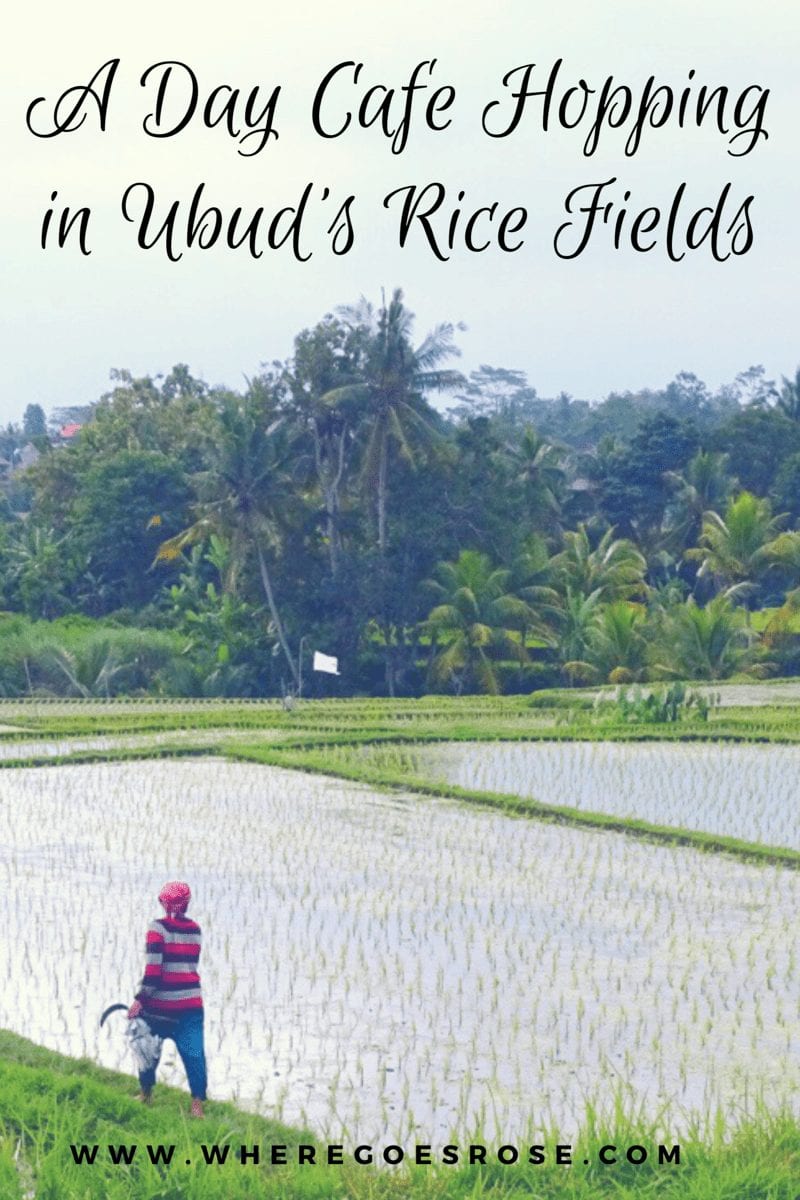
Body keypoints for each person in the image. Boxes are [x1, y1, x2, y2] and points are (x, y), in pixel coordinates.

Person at [128, 881, 207, 1118]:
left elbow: (154, 971)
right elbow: (188, 966)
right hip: (191, 1004)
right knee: (194, 1054)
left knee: (146, 1047)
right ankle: (196, 1106)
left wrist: (139, 1000)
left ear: (163, 902)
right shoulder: (195, 929)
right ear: (187, 903)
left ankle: (146, 1094)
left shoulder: (157, 929)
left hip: (159, 1007)